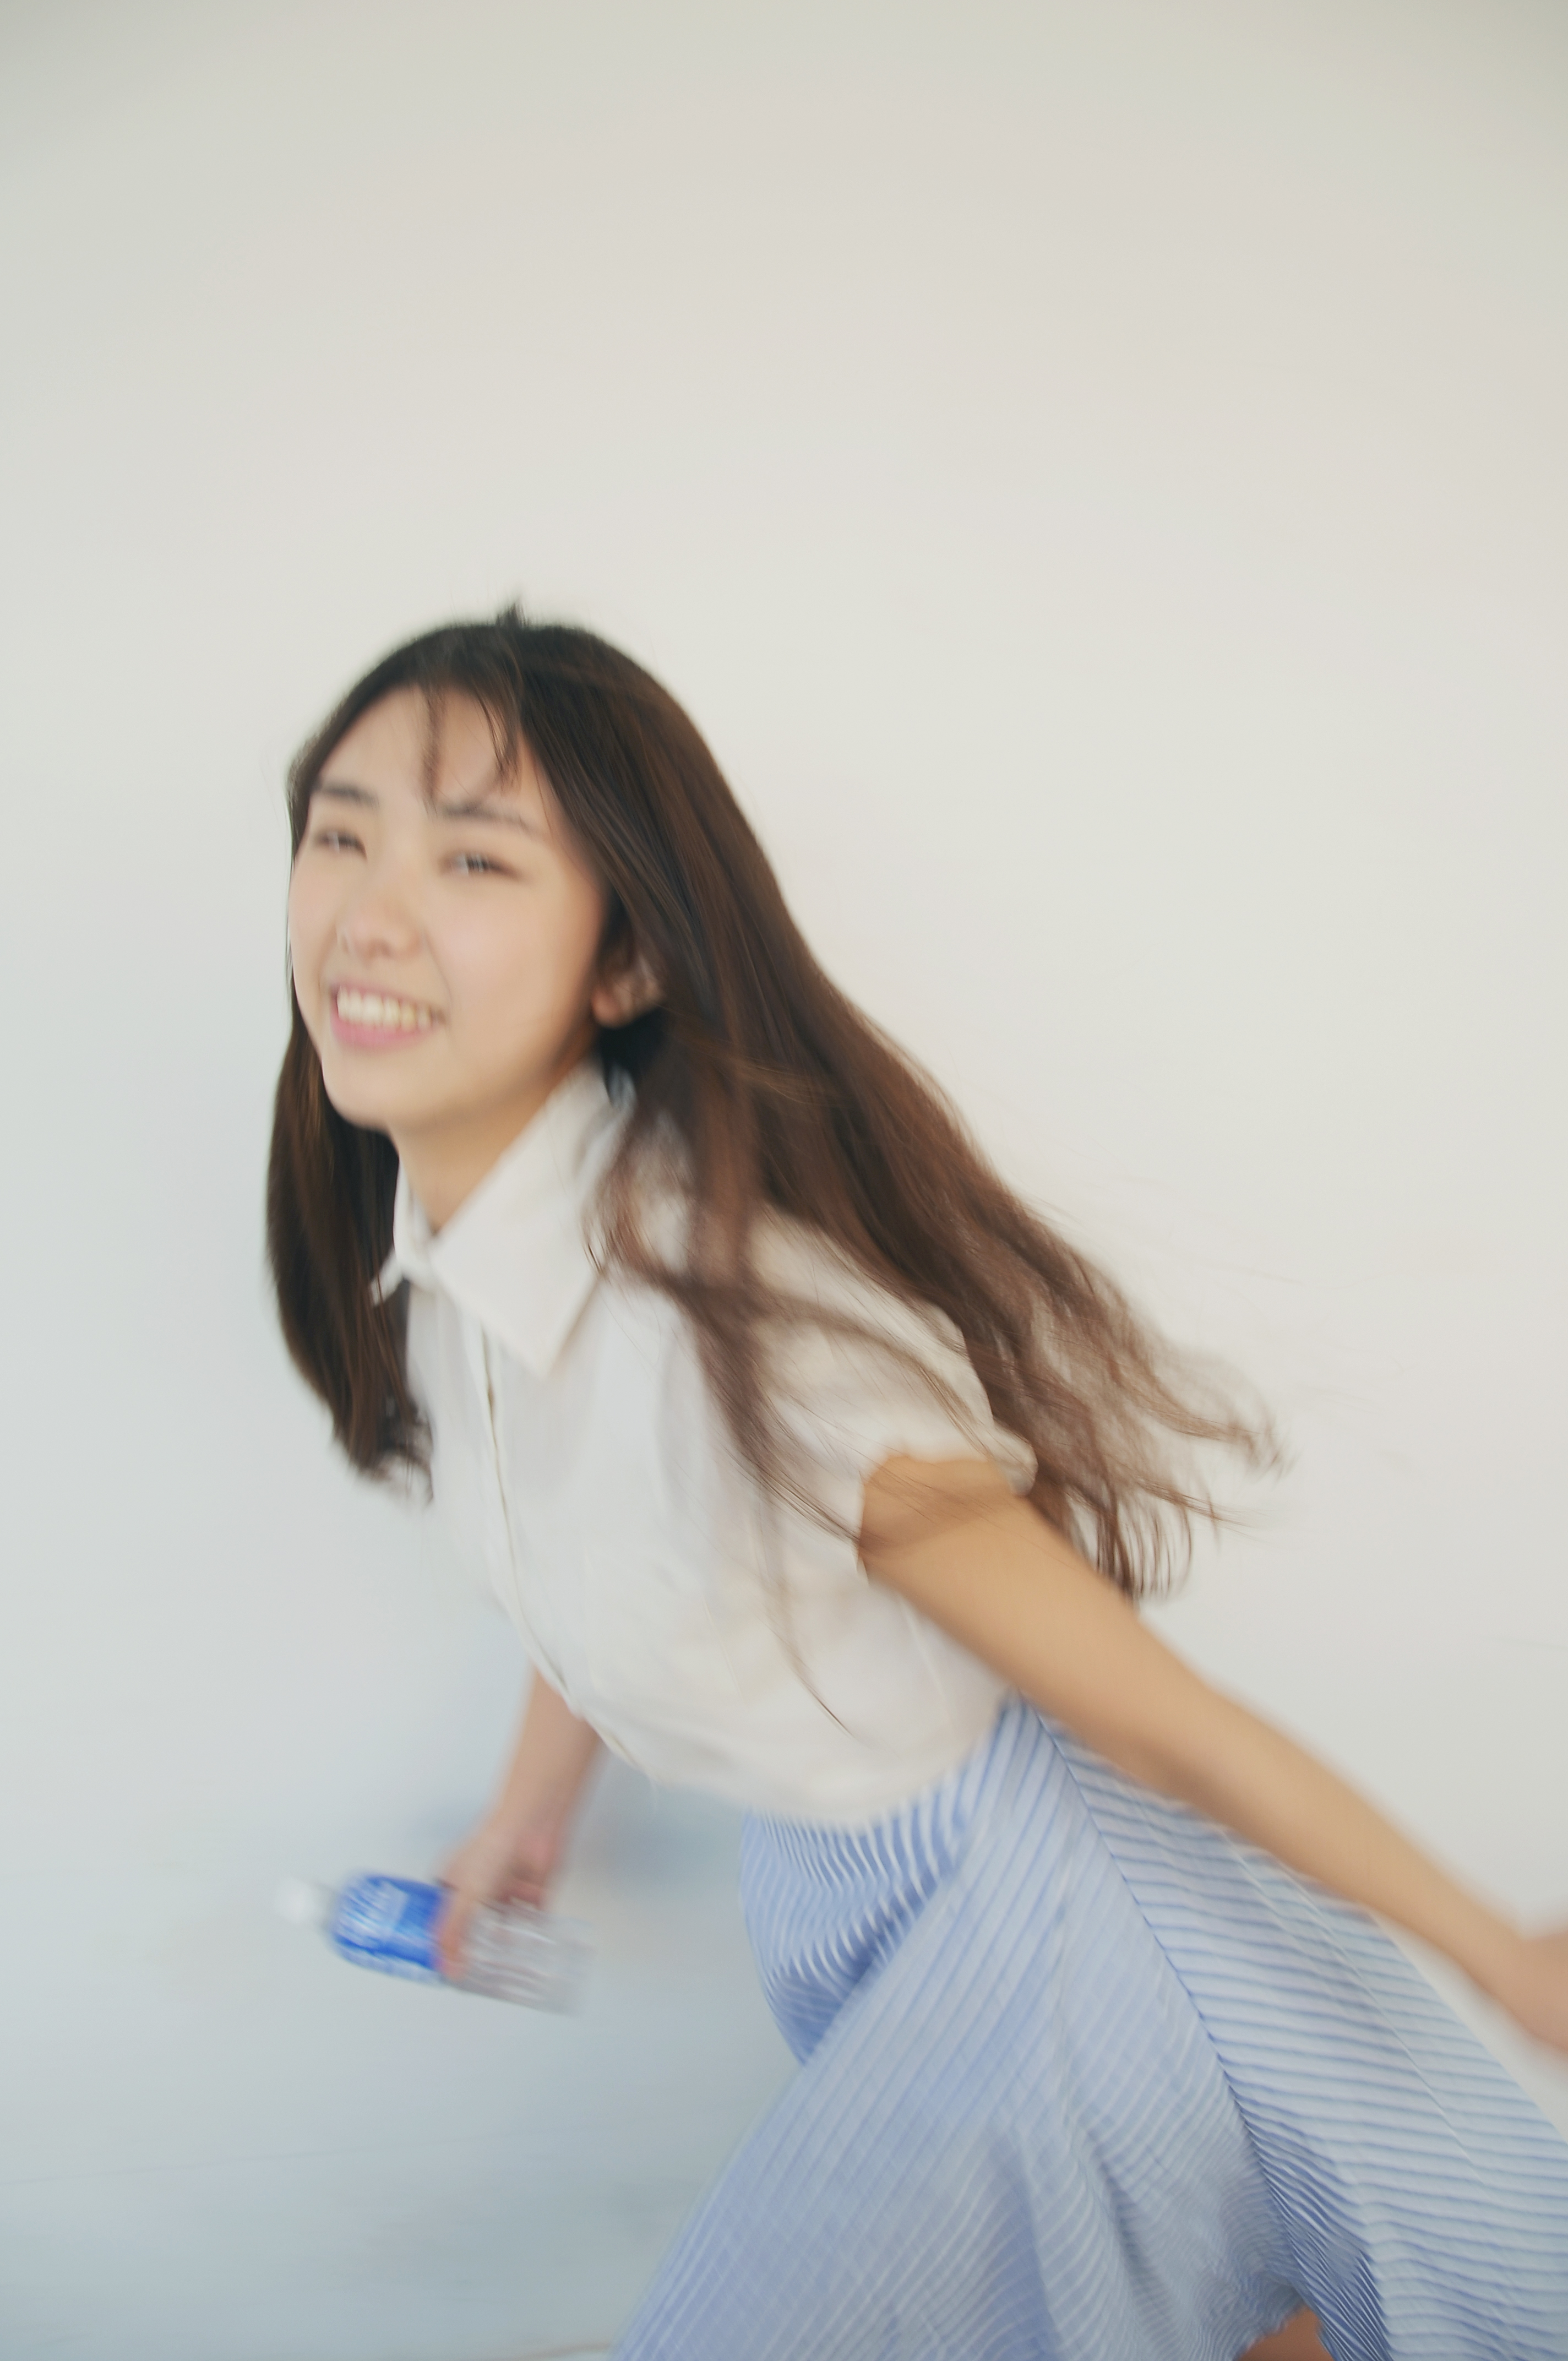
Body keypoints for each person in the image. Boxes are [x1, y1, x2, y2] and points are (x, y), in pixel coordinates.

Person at [268, 610, 1568, 2361]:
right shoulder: (449, 1272)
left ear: (626, 959)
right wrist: (529, 1819)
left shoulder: (768, 1345)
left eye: (475, 857)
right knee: (1207, 2314)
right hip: (841, 1908)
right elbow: (610, 1542)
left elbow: (1163, 1726)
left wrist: (1503, 1956)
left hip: (1040, 1915)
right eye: (340, 833)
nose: (370, 913)